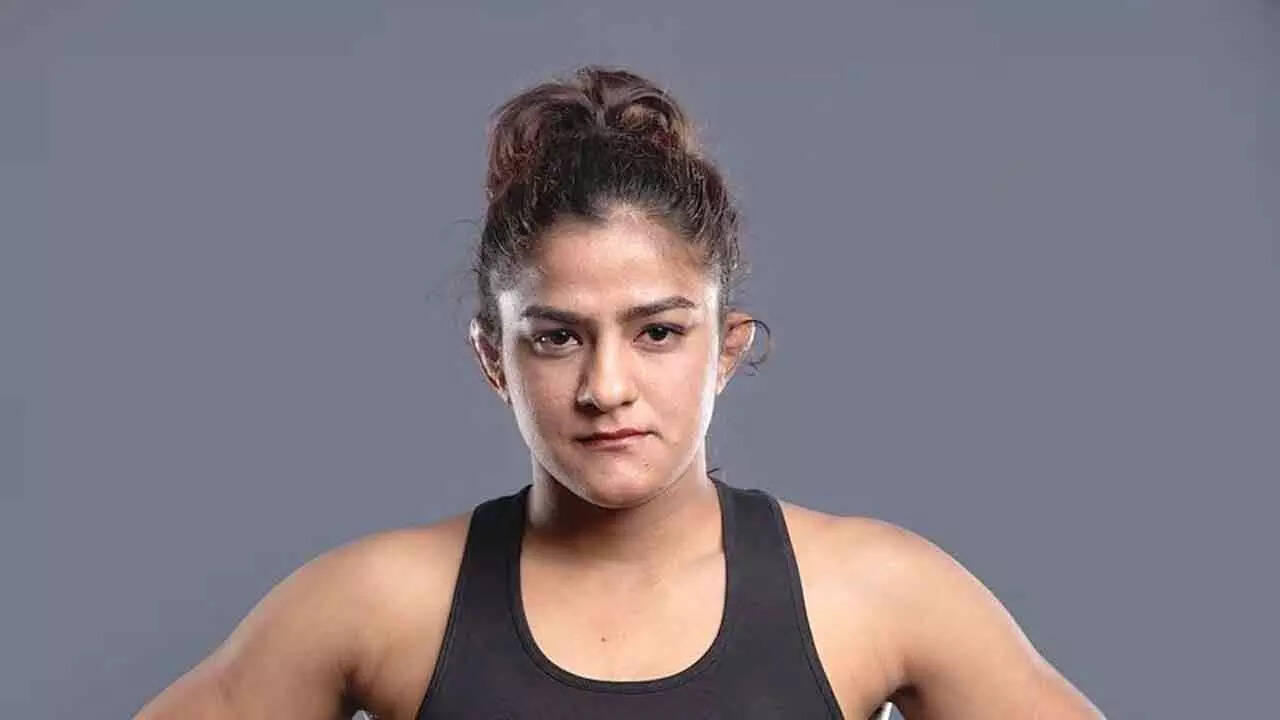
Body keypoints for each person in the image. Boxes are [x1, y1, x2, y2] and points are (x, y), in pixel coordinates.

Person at [134, 65, 1104, 720]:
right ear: (493, 359)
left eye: (657, 333)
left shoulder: (874, 592)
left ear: (724, 350)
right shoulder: (380, 603)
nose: (606, 388)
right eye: (556, 337)